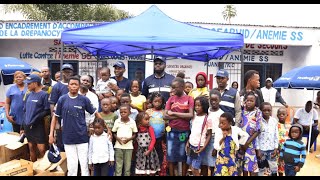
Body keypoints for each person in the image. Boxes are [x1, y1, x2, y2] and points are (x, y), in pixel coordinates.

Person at [49, 76, 102, 176]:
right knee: (72, 165)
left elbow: (96, 114)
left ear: (79, 86)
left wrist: (107, 129)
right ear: (68, 86)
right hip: (68, 137)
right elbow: (55, 118)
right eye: (71, 84)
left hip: (82, 136)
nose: (73, 86)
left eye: (76, 84)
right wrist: (51, 134)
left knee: (84, 164)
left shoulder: (84, 99)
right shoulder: (62, 99)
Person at [164, 77, 194, 176]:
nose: (172, 90)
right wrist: (181, 116)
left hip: (184, 132)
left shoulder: (189, 99)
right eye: (172, 88)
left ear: (182, 87)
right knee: (171, 156)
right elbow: (165, 116)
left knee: (183, 156)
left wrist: (173, 113)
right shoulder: (171, 99)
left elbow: (190, 115)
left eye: (175, 88)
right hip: (172, 131)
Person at [21, 74, 50, 162]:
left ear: (35, 83)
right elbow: (25, 112)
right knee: (31, 148)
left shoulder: (44, 94)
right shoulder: (29, 95)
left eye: (29, 84)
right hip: (27, 126)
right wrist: (22, 127)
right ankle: (33, 169)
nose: (27, 85)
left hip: (38, 126)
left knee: (42, 149)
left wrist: (36, 119)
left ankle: (45, 169)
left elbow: (47, 110)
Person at [186, 96, 212, 176]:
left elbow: (209, 135)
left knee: (195, 168)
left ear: (204, 106)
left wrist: (203, 147)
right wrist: (188, 142)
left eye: (199, 105)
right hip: (191, 145)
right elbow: (192, 131)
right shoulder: (194, 116)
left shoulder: (207, 119)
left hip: (199, 147)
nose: (196, 107)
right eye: (195, 105)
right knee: (190, 166)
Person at [238, 91, 263, 176]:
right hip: (240, 143)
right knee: (243, 167)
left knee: (252, 167)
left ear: (255, 102)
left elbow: (258, 130)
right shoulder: (242, 110)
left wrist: (247, 143)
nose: (249, 102)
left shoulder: (257, 112)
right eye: (247, 100)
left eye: (251, 101)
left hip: (250, 144)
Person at [201, 89, 224, 176]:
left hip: (215, 139)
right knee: (203, 163)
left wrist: (216, 147)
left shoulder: (221, 113)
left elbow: (221, 132)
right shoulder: (207, 111)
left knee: (212, 164)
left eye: (216, 100)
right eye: (211, 100)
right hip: (205, 139)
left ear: (220, 100)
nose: (213, 102)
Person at [112, 104, 138, 176]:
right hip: (118, 146)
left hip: (129, 147)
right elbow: (113, 132)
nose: (123, 114)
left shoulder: (132, 122)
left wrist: (129, 139)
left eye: (125, 112)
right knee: (118, 166)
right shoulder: (117, 121)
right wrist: (118, 139)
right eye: (121, 112)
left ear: (129, 113)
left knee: (127, 166)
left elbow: (135, 134)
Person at [145, 92, 167, 176]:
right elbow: (145, 121)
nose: (157, 103)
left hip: (161, 138)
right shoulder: (149, 111)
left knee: (160, 154)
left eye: (159, 101)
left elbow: (167, 123)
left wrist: (165, 129)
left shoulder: (164, 112)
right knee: (151, 155)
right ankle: (152, 171)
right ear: (152, 102)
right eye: (155, 101)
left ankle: (160, 171)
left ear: (162, 102)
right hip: (150, 138)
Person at [256, 102, 279, 176]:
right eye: (264, 110)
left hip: (272, 149)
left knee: (273, 170)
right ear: (260, 111)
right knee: (262, 170)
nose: (266, 112)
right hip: (261, 150)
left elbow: (276, 135)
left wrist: (276, 148)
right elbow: (256, 137)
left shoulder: (274, 121)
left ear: (271, 111)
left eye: (269, 110)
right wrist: (258, 149)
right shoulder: (258, 121)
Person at [276, 107, 290, 176]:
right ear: (277, 115)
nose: (281, 115)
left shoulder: (289, 127)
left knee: (282, 168)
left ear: (287, 115)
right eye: (280, 114)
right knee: (275, 168)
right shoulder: (275, 125)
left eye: (283, 114)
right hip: (276, 150)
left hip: (285, 151)